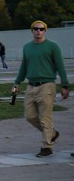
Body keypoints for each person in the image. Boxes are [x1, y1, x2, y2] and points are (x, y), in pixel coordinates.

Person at [11, 20, 69, 158]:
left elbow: (60, 66)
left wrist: (65, 85)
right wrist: (16, 83)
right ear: (32, 31)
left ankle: (47, 147)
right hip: (31, 86)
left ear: (45, 31)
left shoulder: (52, 46)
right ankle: (52, 133)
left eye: (41, 29)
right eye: (36, 29)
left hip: (47, 85)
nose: (38, 31)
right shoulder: (27, 47)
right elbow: (24, 67)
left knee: (45, 118)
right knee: (30, 116)